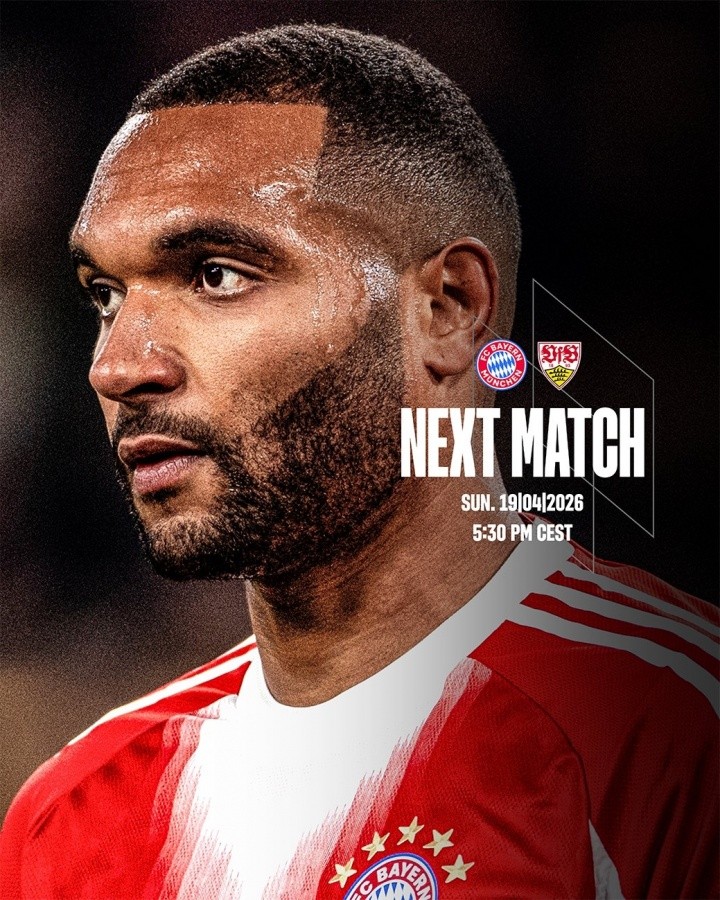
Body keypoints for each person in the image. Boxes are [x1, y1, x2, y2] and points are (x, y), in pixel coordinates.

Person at [1, 23, 717, 900]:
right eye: (107, 296)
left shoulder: (673, 731)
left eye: (217, 275)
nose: (117, 367)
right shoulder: (68, 816)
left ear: (447, 309)